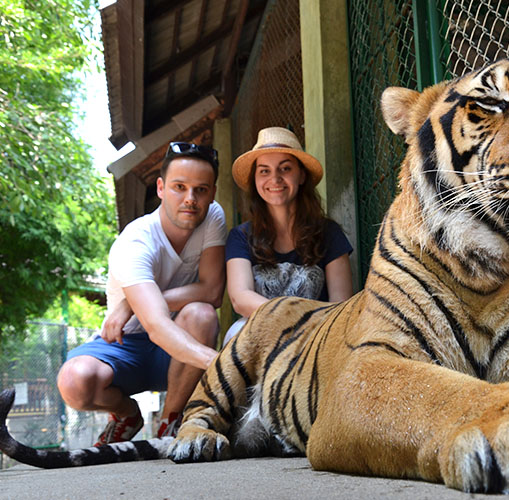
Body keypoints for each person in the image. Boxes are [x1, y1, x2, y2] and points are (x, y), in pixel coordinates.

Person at [57, 142, 227, 446]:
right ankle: (126, 413)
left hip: (181, 345)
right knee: (74, 381)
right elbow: (156, 325)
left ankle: (169, 424)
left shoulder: (212, 216)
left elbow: (213, 291)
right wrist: (226, 365)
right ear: (161, 188)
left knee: (202, 313)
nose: (191, 199)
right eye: (179, 187)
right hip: (128, 343)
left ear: (213, 192)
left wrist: (132, 305)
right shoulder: (135, 241)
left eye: (201, 189)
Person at [224, 127, 353, 344]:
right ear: (255, 180)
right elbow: (240, 298)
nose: (275, 179)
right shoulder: (240, 236)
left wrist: (306, 330)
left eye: (285, 168)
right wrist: (291, 320)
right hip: (259, 331)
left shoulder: (329, 233)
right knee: (236, 334)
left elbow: (341, 304)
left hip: (315, 336)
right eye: (264, 171)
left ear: (301, 175)